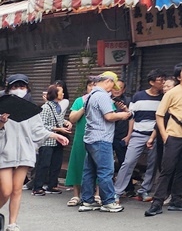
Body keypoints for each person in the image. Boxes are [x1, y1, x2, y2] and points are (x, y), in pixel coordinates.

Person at [0, 75, 68, 231]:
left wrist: (55, 135)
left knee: (17, 190)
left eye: (22, 87)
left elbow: (38, 130)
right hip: (4, 152)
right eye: (15, 86)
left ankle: (12, 225)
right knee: (6, 189)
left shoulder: (30, 109)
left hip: (24, 152)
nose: (19, 90)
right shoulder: (2, 106)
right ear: (8, 88)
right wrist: (2, 122)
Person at [146, 62, 182, 217]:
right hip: (174, 136)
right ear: (179, 77)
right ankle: (157, 202)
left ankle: (177, 200)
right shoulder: (172, 93)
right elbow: (159, 114)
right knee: (167, 170)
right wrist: (164, 135)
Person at [78, 71, 131, 214]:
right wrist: (123, 115)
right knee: (106, 171)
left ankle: (87, 200)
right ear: (108, 81)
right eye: (112, 85)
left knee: (90, 171)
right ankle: (108, 201)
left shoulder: (90, 96)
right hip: (102, 138)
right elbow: (109, 116)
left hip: (90, 138)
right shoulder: (102, 96)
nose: (113, 89)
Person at [114, 70, 166, 202]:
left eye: (164, 80)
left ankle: (144, 190)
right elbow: (132, 115)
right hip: (138, 134)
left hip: (155, 135)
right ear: (152, 82)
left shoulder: (165, 98)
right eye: (160, 80)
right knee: (128, 162)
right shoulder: (138, 96)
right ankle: (117, 192)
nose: (163, 82)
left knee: (152, 165)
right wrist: (127, 113)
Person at [31, 85, 70, 195]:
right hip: (47, 140)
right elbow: (42, 125)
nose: (63, 94)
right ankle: (37, 187)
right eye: (61, 92)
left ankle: (52, 185)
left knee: (56, 164)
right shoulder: (46, 107)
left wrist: (66, 122)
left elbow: (58, 120)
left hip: (58, 140)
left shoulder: (57, 106)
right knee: (44, 164)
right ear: (55, 94)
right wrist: (58, 128)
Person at [64, 78, 97, 207]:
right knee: (78, 163)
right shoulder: (80, 100)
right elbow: (72, 118)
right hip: (81, 136)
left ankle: (97, 194)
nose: (92, 88)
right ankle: (76, 195)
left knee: (99, 165)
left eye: (95, 86)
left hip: (98, 137)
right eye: (90, 86)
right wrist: (84, 107)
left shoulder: (105, 100)